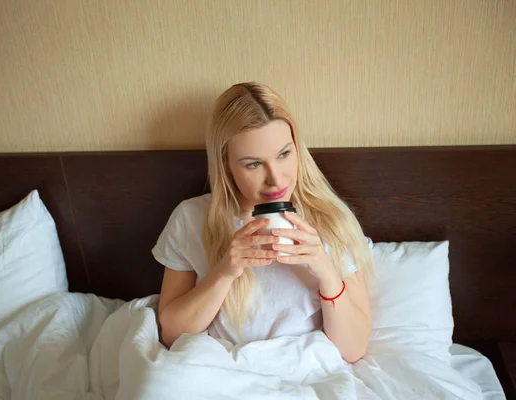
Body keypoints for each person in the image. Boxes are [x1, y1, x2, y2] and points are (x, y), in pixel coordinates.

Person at [152, 82, 375, 363]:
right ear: (226, 166)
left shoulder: (331, 220)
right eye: (253, 164)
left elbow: (353, 349)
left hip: (305, 372)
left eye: (283, 154)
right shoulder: (191, 218)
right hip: (222, 371)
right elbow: (171, 333)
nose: (276, 179)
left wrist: (326, 272)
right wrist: (224, 272)